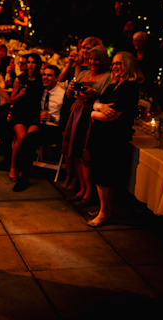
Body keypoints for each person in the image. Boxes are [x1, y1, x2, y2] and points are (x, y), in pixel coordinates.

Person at [86, 52, 143, 226]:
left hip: (112, 139)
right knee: (100, 173)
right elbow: (96, 102)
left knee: (104, 176)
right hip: (102, 137)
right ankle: (106, 209)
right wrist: (99, 107)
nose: (115, 66)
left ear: (129, 65)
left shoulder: (129, 88)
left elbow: (112, 116)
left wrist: (94, 112)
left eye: (119, 63)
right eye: (114, 63)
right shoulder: (113, 86)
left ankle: (104, 214)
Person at [62, 46, 111, 206]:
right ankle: (82, 189)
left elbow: (108, 100)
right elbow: (70, 96)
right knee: (75, 152)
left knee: (86, 155)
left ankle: (89, 193)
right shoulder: (83, 74)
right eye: (90, 58)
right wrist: (71, 89)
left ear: (102, 60)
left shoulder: (108, 78)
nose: (92, 62)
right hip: (76, 114)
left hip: (91, 117)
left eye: (96, 59)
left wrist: (95, 94)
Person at [12, 65, 65, 192]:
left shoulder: (62, 94)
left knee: (30, 138)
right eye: (44, 74)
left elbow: (67, 119)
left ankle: (23, 178)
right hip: (39, 125)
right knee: (25, 135)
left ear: (57, 78)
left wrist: (53, 119)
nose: (45, 78)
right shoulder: (40, 90)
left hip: (55, 128)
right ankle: (18, 169)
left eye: (49, 75)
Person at [8, 52, 43, 182]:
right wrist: (19, 95)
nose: (30, 65)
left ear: (38, 64)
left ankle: (24, 168)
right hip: (20, 113)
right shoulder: (20, 79)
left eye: (33, 62)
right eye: (28, 62)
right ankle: (12, 167)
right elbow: (11, 99)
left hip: (33, 114)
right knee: (21, 137)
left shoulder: (41, 79)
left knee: (29, 139)